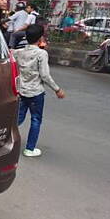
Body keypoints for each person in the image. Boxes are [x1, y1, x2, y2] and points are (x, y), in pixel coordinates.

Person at [14, 24, 66, 157]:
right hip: (36, 93)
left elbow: (9, 53)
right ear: (41, 37)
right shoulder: (42, 54)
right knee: (36, 120)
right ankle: (29, 149)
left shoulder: (19, 52)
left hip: (21, 91)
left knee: (17, 119)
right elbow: (45, 75)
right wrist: (57, 89)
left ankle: (2, 140)